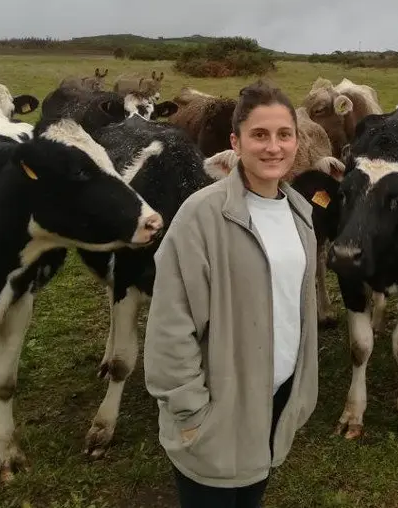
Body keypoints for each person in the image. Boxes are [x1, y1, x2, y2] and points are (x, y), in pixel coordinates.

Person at [143, 78, 319, 508]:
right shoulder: (200, 215)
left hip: (275, 401)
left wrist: (301, 395)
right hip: (216, 410)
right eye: (259, 135)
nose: (273, 147)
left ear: (297, 141)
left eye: (284, 135)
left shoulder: (301, 213)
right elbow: (170, 323)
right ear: (235, 143)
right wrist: (190, 414)